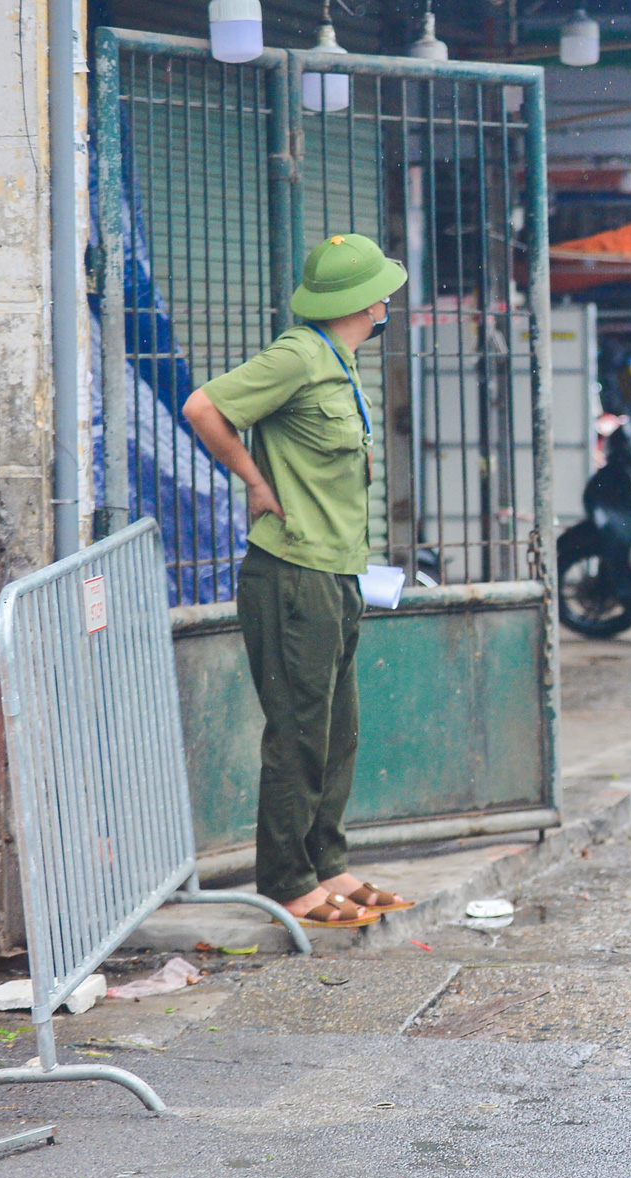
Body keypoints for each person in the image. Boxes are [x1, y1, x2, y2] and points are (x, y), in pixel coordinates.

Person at [180, 234, 414, 928]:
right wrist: (254, 482)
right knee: (300, 732)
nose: (388, 301)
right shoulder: (297, 356)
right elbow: (203, 408)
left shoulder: (338, 363)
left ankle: (327, 862)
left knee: (338, 731)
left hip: (338, 571)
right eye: (383, 292)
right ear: (365, 302)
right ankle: (287, 881)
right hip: (292, 571)